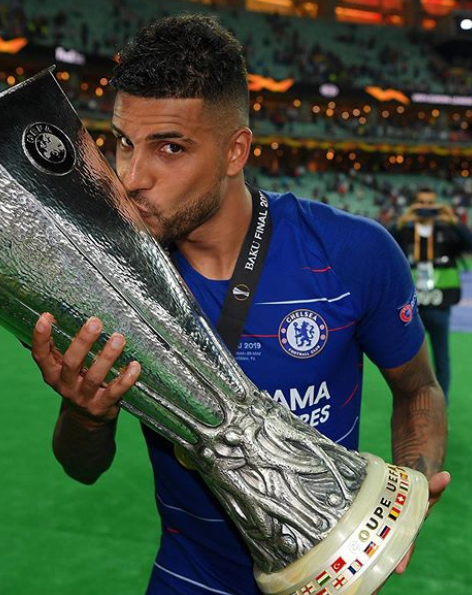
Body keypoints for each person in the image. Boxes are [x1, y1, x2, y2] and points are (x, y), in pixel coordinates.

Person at [30, 15, 449, 595]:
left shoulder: (352, 253)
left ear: (235, 151)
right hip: (187, 578)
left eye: (169, 148)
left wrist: (413, 484)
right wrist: (84, 413)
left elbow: (418, 387)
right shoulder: (116, 276)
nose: (130, 177)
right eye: (124, 143)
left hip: (327, 573)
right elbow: (83, 466)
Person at [390, 188, 472, 403]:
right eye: (421, 203)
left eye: (430, 204)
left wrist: (452, 219)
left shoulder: (447, 231)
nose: (426, 209)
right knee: (405, 361)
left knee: (441, 361)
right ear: (414, 204)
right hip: (411, 307)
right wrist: (405, 217)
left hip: (439, 306)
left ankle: (440, 408)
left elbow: (469, 242)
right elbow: (385, 241)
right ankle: (409, 406)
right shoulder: (406, 231)